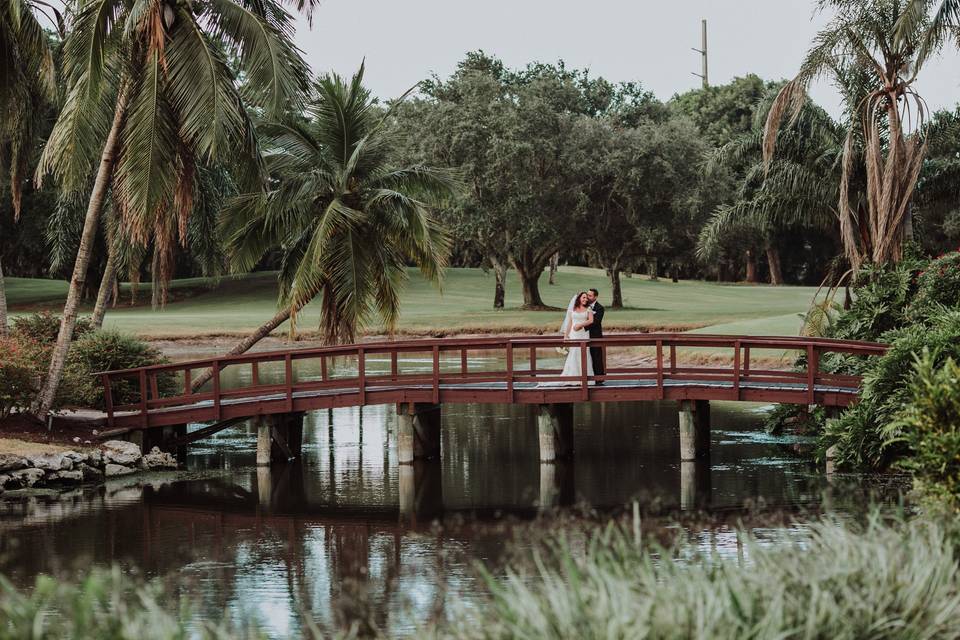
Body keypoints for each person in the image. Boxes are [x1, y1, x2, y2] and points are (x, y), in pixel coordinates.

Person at [540, 291, 595, 387]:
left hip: (583, 333)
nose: (585, 299)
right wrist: (566, 335)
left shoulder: (588, 308)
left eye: (586, 298)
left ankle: (585, 377)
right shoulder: (573, 309)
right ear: (579, 298)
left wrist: (580, 325)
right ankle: (573, 376)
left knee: (584, 353)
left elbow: (591, 320)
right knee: (574, 353)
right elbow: (569, 323)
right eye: (583, 297)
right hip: (574, 334)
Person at [586, 288, 605, 384]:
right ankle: (586, 377)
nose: (588, 297)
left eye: (590, 296)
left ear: (595, 297)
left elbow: (596, 322)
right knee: (586, 357)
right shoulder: (583, 306)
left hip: (595, 336)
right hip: (583, 336)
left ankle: (599, 379)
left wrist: (583, 327)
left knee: (597, 357)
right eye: (587, 295)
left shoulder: (600, 308)